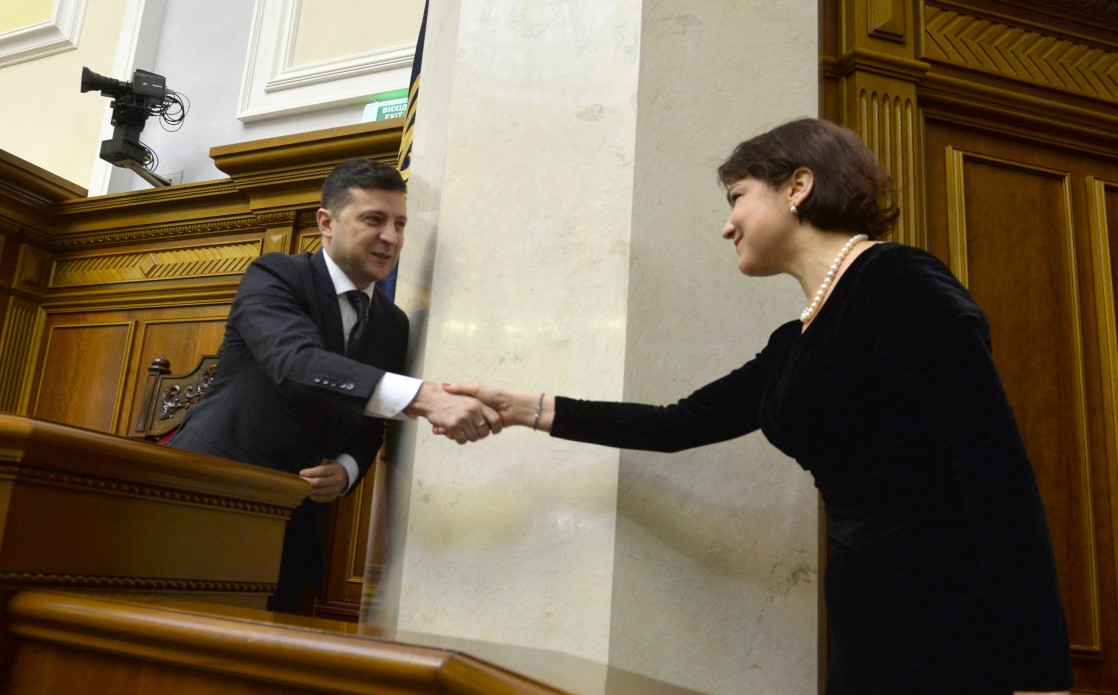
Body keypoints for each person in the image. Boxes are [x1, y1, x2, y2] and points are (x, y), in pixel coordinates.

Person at [442, 119, 1073, 694]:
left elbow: (999, 480)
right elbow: (676, 425)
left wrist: (1041, 673)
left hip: (946, 613)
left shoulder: (900, 282)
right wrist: (525, 408)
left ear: (798, 185)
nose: (727, 225)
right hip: (867, 608)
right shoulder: (794, 342)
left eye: (736, 197)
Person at [169, 158, 501, 614]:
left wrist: (346, 469)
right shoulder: (275, 276)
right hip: (211, 496)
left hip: (298, 522)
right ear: (326, 222)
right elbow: (296, 364)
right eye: (374, 219)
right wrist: (425, 397)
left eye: (400, 224)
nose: (391, 237)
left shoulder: (392, 323)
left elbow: (369, 423)